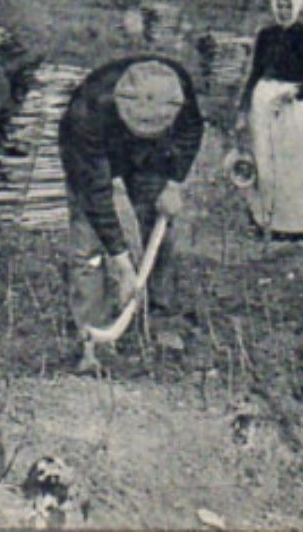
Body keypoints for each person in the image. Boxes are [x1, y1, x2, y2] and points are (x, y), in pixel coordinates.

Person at [59, 55, 205, 374]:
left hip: (153, 156)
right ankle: (91, 337)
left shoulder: (176, 87)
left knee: (163, 230)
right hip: (97, 150)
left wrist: (175, 182)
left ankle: (163, 319)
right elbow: (96, 196)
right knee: (88, 243)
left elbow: (192, 131)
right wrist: (123, 263)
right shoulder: (86, 113)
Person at [237, 0, 303, 238]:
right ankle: (267, 220)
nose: (282, 11)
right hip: (264, 104)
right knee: (266, 162)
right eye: (278, 5)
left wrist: (298, 92)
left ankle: (302, 224)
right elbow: (255, 74)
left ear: (297, 6)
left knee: (295, 165)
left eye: (287, 5)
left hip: (295, 108)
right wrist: (243, 109)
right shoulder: (266, 35)